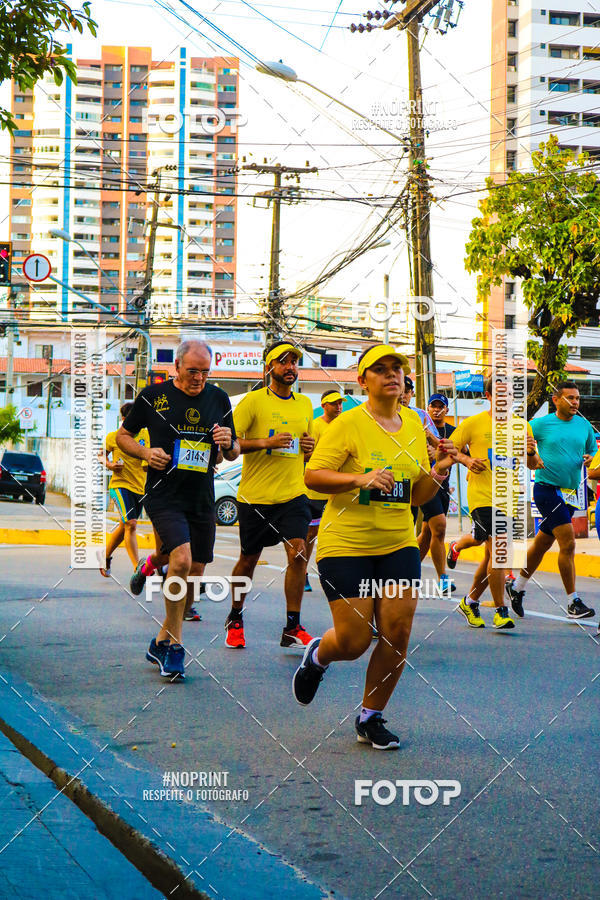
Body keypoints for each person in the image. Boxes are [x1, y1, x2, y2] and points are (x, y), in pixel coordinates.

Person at [292, 344, 457, 749]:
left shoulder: (416, 427)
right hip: (346, 542)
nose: (392, 375)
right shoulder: (348, 424)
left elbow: (415, 497)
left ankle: (371, 716)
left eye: (397, 368)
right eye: (380, 369)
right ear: (363, 380)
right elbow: (313, 476)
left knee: (397, 632)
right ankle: (318, 655)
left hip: (397, 541)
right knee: (354, 641)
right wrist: (357, 480)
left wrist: (438, 471)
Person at [116, 340, 239, 679]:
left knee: (194, 573)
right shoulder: (153, 397)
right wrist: (145, 453)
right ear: (177, 368)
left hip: (201, 496)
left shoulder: (218, 398)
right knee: (181, 560)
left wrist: (229, 442)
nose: (199, 378)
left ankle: (160, 641)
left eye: (205, 372)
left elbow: (233, 451)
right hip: (163, 493)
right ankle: (175, 647)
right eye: (192, 371)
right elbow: (122, 436)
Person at [226, 341, 315, 650]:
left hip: (293, 494)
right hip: (255, 496)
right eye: (283, 361)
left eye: (294, 362)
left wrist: (309, 449)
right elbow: (232, 446)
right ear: (269, 368)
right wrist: (268, 442)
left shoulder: (304, 403)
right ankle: (235, 616)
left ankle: (292, 626)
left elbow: (308, 444)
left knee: (299, 553)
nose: (290, 367)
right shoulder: (252, 402)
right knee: (248, 560)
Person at [451, 375, 540, 630]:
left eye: (510, 394)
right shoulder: (473, 423)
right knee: (500, 550)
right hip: (481, 496)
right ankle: (501, 611)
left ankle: (470, 601)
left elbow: (532, 464)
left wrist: (531, 451)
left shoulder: (523, 426)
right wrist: (467, 461)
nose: (506, 398)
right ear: (488, 396)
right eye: (500, 393)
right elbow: (449, 449)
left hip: (509, 499)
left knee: (492, 554)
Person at [506, 381, 596, 620]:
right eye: (570, 398)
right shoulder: (540, 424)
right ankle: (572, 602)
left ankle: (516, 587)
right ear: (556, 400)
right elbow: (517, 438)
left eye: (577, 398)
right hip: (546, 489)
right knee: (568, 544)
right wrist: (531, 453)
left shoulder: (584, 425)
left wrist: (590, 457)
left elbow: (593, 452)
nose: (575, 402)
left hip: (571, 492)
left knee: (543, 543)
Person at [98, 403, 148, 577]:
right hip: (120, 485)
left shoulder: (146, 435)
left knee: (124, 524)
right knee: (131, 523)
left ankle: (104, 555)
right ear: (124, 420)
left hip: (140, 487)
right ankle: (137, 567)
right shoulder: (114, 437)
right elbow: (100, 455)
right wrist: (110, 464)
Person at [304, 389, 344, 592]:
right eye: (333, 403)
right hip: (315, 491)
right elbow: (306, 454)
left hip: (336, 490)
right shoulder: (316, 425)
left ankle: (332, 575)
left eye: (340, 403)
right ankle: (302, 571)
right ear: (324, 406)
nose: (338, 407)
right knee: (310, 533)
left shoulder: (343, 424)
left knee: (334, 533)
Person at [416, 394, 456, 593]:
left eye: (441, 406)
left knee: (427, 534)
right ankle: (443, 578)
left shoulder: (452, 431)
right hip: (425, 483)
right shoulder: (420, 427)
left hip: (443, 485)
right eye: (433, 406)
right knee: (439, 527)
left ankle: (410, 572)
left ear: (447, 410)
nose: (437, 409)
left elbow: (459, 452)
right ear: (428, 407)